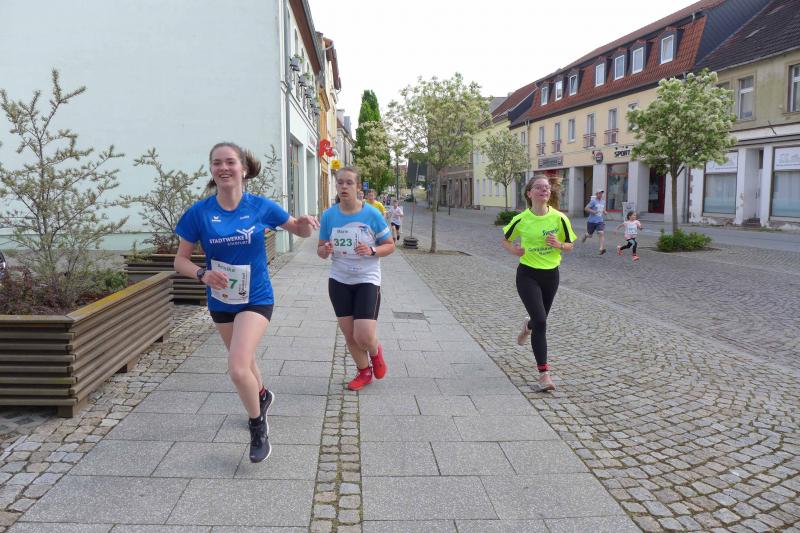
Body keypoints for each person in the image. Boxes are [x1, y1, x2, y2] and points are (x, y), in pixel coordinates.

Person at [174, 142, 319, 463]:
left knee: (238, 367)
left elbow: (298, 230)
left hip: (256, 298)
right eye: (217, 163)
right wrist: (202, 274)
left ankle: (257, 426)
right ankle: (262, 395)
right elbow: (179, 261)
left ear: (243, 168)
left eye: (230, 162)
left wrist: (305, 224)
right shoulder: (199, 213)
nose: (223, 168)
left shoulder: (260, 206)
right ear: (212, 170)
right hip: (221, 300)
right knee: (246, 360)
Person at [317, 167, 395, 391]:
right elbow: (320, 251)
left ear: (358, 187)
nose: (344, 186)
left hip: (366, 279)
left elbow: (390, 245)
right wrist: (326, 249)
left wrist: (371, 250)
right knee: (350, 335)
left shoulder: (372, 214)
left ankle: (375, 351)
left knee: (364, 335)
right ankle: (364, 372)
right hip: (339, 279)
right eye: (340, 182)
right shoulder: (329, 215)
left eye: (349, 183)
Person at [502, 176, 576, 391]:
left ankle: (528, 327)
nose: (545, 190)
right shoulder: (521, 219)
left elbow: (570, 245)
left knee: (538, 320)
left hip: (551, 276)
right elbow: (505, 240)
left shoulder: (560, 218)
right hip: (527, 275)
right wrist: (514, 250)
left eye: (547, 187)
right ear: (529, 193)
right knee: (542, 321)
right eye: (539, 187)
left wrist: (559, 244)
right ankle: (544, 375)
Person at [581, 190, 607, 254]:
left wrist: (604, 211)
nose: (600, 195)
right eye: (599, 193)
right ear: (596, 194)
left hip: (600, 220)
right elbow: (586, 208)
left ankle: (601, 248)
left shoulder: (603, 201)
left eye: (601, 194)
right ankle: (585, 235)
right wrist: (593, 211)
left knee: (601, 233)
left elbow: (602, 209)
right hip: (591, 221)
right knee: (590, 235)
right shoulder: (593, 201)